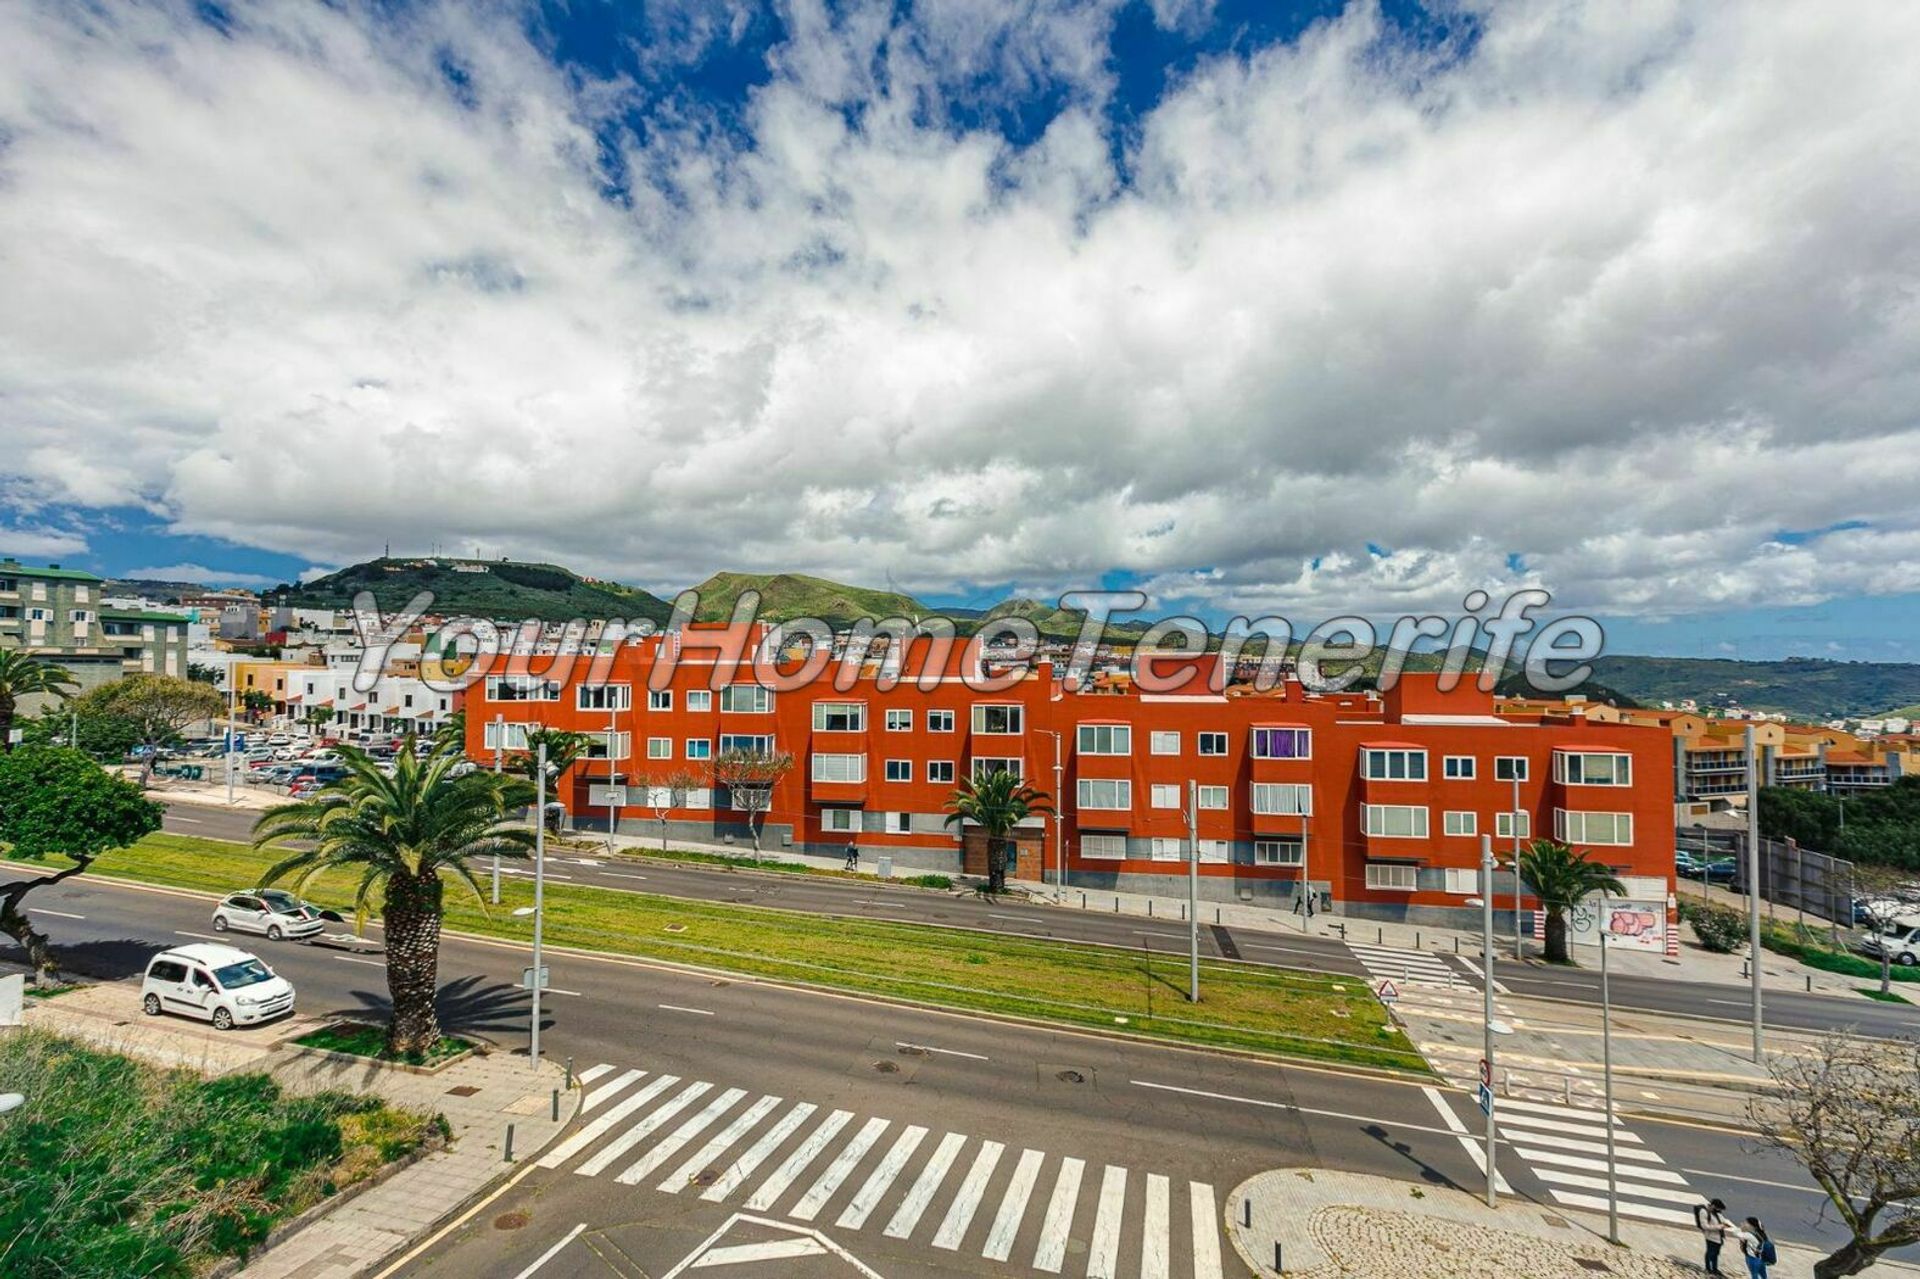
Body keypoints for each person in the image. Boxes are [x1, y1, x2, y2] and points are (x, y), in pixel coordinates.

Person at [1692, 1199, 1732, 1275]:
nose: (1719, 1211)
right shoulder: (1704, 1212)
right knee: (1710, 1253)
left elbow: (1721, 1219)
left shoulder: (1717, 1212)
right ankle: (1708, 1268)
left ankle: (1715, 1268)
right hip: (1711, 1236)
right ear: (1713, 1206)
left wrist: (1725, 1223)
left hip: (1719, 1236)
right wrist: (1719, 1227)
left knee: (1716, 1253)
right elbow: (1705, 1226)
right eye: (1718, 1209)